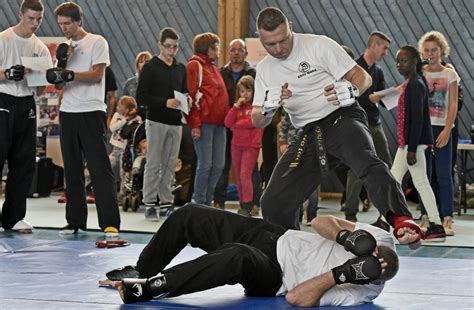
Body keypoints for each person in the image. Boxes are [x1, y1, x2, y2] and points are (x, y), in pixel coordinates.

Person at [250, 7, 423, 247]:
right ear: (261, 38)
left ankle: (401, 219)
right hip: (308, 134)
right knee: (273, 201)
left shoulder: (318, 45)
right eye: (270, 44)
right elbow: (257, 119)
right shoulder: (266, 69)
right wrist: (267, 108)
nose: (278, 49)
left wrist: (351, 89)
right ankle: (290, 252)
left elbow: (363, 77)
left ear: (290, 26)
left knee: (366, 162)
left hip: (342, 118)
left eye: (283, 40)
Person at [100, 204, 398, 306]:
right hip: (272, 234)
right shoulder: (380, 237)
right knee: (189, 215)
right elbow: (319, 221)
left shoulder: (361, 293)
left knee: (237, 256)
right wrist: (346, 237)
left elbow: (297, 298)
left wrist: (341, 273)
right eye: (370, 251)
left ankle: (150, 288)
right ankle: (142, 269)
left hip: (275, 275)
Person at [48, 2, 120, 237]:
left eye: (67, 23)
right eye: (60, 24)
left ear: (79, 21)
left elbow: (97, 74)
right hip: (68, 112)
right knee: (72, 170)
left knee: (100, 169)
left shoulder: (97, 41)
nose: (64, 28)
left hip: (91, 111)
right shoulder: (65, 47)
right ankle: (75, 221)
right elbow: (58, 84)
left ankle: (109, 223)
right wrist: (62, 63)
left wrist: (70, 74)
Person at [0, 0, 52, 233]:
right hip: (3, 99)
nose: (34, 24)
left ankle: (13, 218)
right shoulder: (3, 39)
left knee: (24, 161)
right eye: (30, 18)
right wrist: (8, 73)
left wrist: (37, 77)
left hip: (27, 103)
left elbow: (41, 90)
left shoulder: (40, 48)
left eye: (39, 19)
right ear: (21, 14)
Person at [390, 45, 446, 242]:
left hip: (412, 144)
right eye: (397, 61)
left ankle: (436, 225)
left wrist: (411, 149)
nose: (399, 65)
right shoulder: (413, 82)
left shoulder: (415, 85)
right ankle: (383, 220)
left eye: (403, 60)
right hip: (407, 143)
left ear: (414, 62)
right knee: (393, 180)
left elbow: (417, 121)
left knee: (420, 183)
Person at [136, 27, 187, 221]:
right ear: (160, 45)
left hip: (176, 122)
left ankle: (166, 202)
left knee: (170, 164)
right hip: (156, 120)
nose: (171, 50)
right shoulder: (150, 67)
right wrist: (164, 102)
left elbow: (184, 91)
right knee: (154, 163)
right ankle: (149, 203)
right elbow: (141, 96)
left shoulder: (180, 68)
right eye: (168, 46)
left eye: (175, 47)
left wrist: (188, 100)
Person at [344, 32, 393, 222]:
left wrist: (384, 96)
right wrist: (368, 97)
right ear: (374, 45)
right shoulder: (354, 68)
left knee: (386, 165)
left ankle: (385, 213)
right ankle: (350, 214)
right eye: (385, 48)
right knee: (356, 168)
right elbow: (348, 96)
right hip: (357, 124)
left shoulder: (378, 72)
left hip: (375, 123)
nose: (386, 53)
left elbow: (382, 101)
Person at [418, 31, 459, 236]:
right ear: (422, 52)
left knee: (444, 174)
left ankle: (447, 217)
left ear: (442, 51)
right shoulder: (419, 74)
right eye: (427, 50)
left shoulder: (449, 74)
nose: (430, 53)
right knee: (425, 175)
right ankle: (426, 215)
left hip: (442, 129)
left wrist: (446, 130)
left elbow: (452, 104)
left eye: (434, 50)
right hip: (423, 131)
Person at [214, 39, 261, 211]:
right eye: (232, 49)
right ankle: (218, 201)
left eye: (240, 50)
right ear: (228, 53)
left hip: (248, 139)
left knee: (249, 171)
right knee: (223, 166)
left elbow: (254, 118)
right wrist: (232, 116)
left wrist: (236, 125)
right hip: (226, 126)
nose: (236, 53)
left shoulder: (253, 73)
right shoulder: (221, 73)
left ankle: (252, 203)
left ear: (246, 53)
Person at [185, 33, 229, 206]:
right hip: (204, 123)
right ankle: (199, 200)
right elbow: (190, 96)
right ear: (207, 48)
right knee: (205, 165)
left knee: (218, 165)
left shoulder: (213, 68)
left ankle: (208, 199)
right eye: (216, 46)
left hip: (220, 124)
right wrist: (194, 124)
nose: (218, 49)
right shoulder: (195, 66)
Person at [224, 76, 263, 216]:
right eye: (242, 91)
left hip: (251, 146)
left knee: (245, 174)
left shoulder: (257, 107)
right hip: (236, 145)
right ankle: (242, 204)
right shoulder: (237, 108)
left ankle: (248, 204)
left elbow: (252, 122)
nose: (245, 94)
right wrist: (235, 107)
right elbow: (227, 123)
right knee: (239, 177)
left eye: (248, 90)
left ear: (254, 91)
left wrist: (237, 125)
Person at [279, 112, 319, 226]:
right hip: (293, 144)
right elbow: (285, 123)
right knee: (294, 181)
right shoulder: (293, 98)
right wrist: (282, 142)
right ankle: (297, 214)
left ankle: (312, 214)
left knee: (312, 181)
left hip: (314, 145)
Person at [109, 96, 140, 195]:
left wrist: (134, 119)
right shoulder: (117, 115)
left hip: (125, 149)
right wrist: (124, 120)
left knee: (124, 171)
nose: (118, 107)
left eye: (120, 106)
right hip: (115, 149)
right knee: (109, 165)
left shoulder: (134, 119)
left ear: (127, 109)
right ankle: (108, 190)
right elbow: (112, 128)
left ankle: (123, 192)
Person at [123, 51, 152, 118]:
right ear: (137, 65)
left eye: (147, 62)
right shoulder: (129, 83)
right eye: (141, 62)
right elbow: (124, 104)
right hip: (132, 119)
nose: (144, 64)